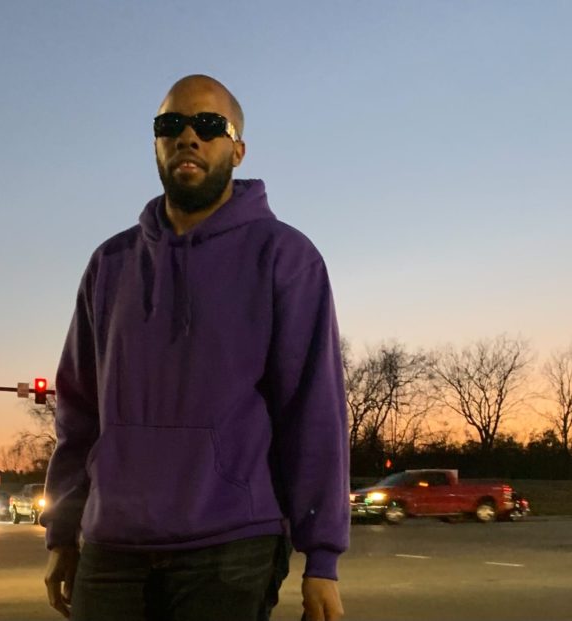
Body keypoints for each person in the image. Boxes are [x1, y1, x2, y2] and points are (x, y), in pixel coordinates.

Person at [42, 74, 349, 621]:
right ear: (156, 144)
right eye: (171, 125)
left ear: (237, 148)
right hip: (112, 547)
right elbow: (78, 409)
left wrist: (321, 558)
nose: (189, 137)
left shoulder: (285, 258)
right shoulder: (110, 264)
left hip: (231, 545)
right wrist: (63, 531)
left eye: (209, 125)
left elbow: (314, 411)